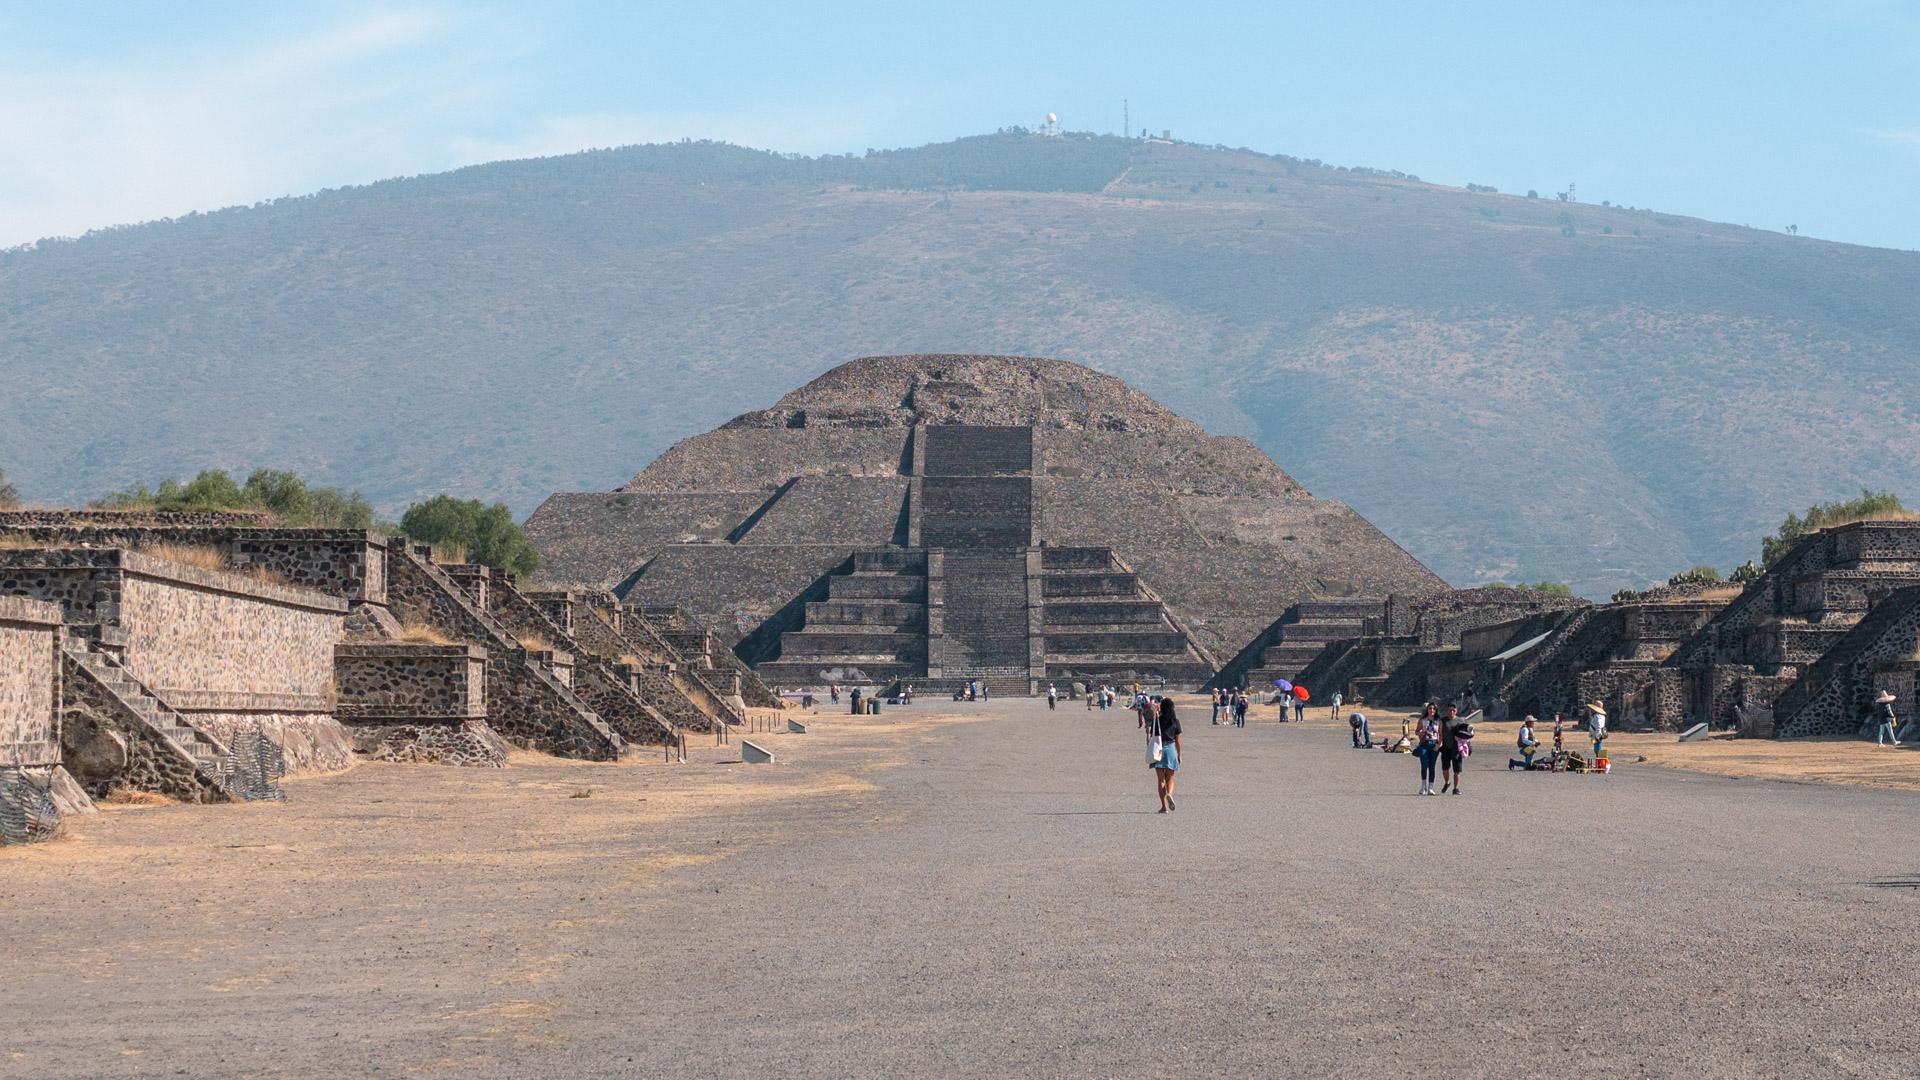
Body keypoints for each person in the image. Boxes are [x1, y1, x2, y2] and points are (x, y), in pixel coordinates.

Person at [1151, 695, 1183, 813]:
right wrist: (1179, 755)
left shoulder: (1157, 721)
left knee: (1160, 780)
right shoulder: (1175, 721)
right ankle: (1169, 794)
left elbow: (1152, 736)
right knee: (1170, 778)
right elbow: (1178, 741)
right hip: (1170, 749)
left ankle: (1164, 807)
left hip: (1158, 750)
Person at [1439, 704, 1468, 795]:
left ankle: (1455, 788)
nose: (1451, 712)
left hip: (1457, 749)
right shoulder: (1443, 721)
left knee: (1457, 770)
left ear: (1456, 711)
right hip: (1446, 748)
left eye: (1453, 710)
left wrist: (1460, 739)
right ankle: (1447, 783)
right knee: (1445, 769)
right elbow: (1438, 732)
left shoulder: (1461, 721)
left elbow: (1466, 735)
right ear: (1447, 711)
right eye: (1450, 710)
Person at [1414, 704, 1441, 795]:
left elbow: (1441, 734)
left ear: (1436, 710)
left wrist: (1438, 745)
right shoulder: (1423, 720)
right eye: (1430, 708)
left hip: (1434, 744)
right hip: (1424, 744)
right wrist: (1422, 733)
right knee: (1424, 765)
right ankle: (1423, 786)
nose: (1432, 710)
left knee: (1432, 766)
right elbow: (1417, 731)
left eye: (1434, 708)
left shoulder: (1439, 721)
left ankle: (1431, 787)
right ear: (1427, 710)